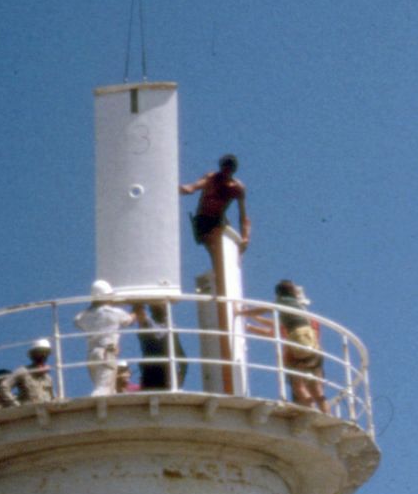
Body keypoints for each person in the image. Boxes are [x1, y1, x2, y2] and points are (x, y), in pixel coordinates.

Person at [182, 152, 250, 294]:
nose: (226, 170)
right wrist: (180, 188)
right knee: (213, 250)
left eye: (229, 168)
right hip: (203, 220)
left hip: (218, 220)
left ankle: (225, 280)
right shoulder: (212, 178)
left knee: (227, 249)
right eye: (225, 167)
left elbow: (243, 216)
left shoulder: (237, 188)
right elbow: (193, 187)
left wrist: (245, 238)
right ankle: (220, 281)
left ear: (233, 170)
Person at [249, 278, 324, 408]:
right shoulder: (309, 319)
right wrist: (254, 321)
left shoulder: (292, 316)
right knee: (316, 390)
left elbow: (276, 330)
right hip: (314, 355)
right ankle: (322, 411)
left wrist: (250, 322)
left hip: (296, 355)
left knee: (298, 387)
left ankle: (311, 412)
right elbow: (277, 326)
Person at [82, 280, 133, 396]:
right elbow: (128, 319)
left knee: (105, 387)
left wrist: (93, 307)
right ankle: (97, 407)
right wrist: (136, 311)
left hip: (92, 355)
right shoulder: (113, 312)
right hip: (106, 354)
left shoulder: (87, 315)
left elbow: (77, 320)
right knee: (103, 389)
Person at [132, 301, 184, 392]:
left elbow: (181, 355)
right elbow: (139, 313)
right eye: (158, 304)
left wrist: (181, 375)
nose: (162, 306)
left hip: (167, 371)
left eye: (163, 304)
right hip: (151, 371)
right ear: (152, 308)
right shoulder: (147, 323)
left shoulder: (171, 326)